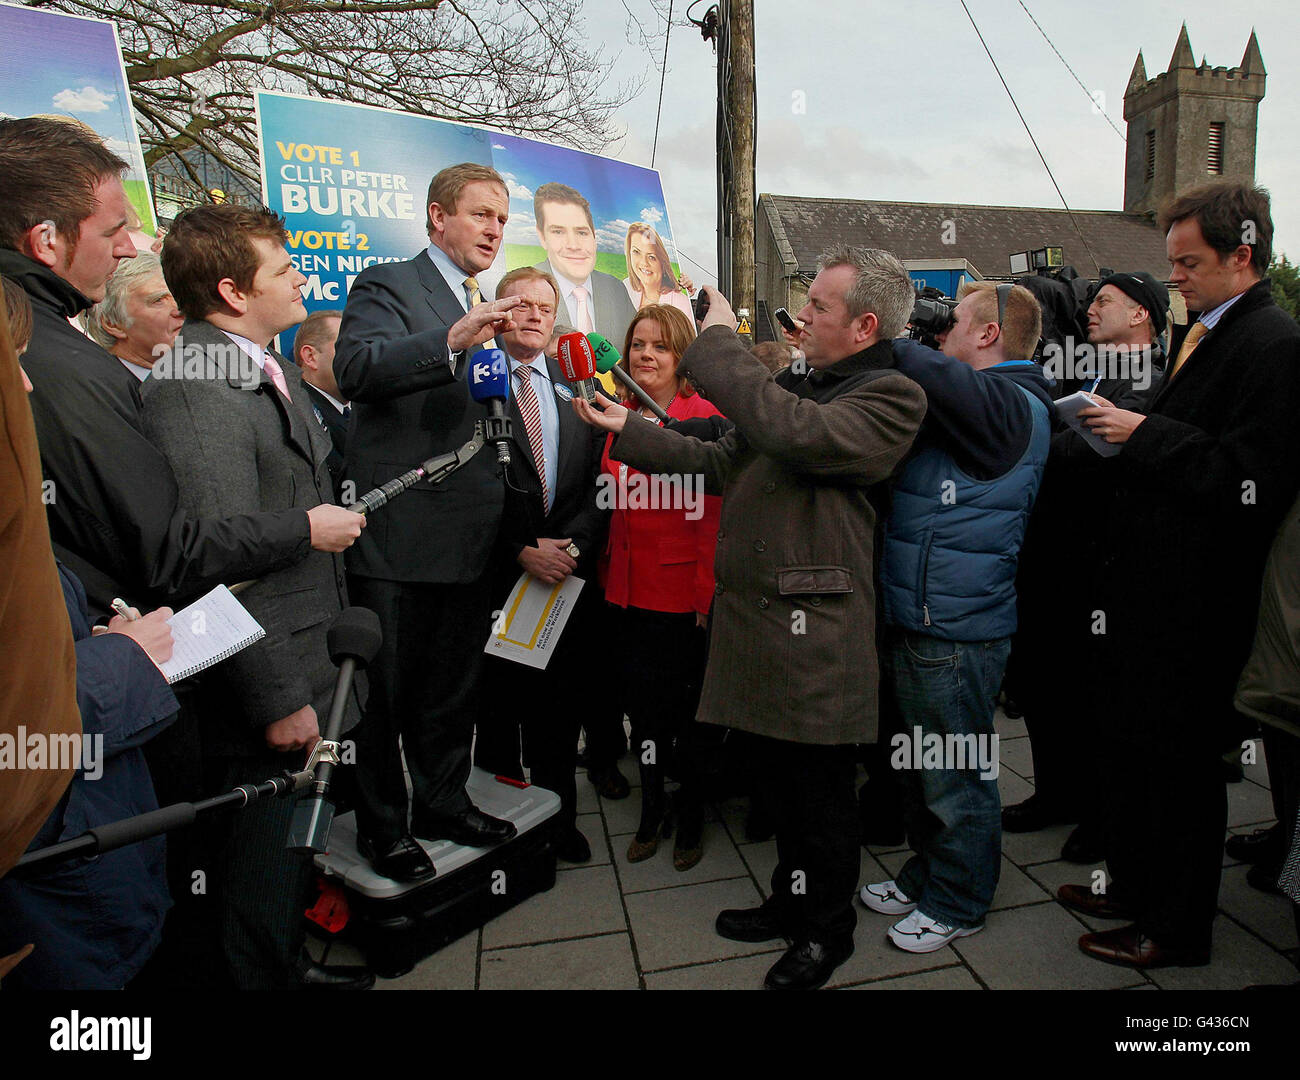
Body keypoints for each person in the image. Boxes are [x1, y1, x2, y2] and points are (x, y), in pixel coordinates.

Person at [574, 247, 926, 990]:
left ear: (865, 324)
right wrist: (625, 429)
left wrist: (719, 338)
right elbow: (722, 459)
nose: (803, 319)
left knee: (820, 800)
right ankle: (789, 902)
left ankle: (827, 935)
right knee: (779, 785)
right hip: (760, 624)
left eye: (820, 308)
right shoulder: (806, 383)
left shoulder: (892, 394)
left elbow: (792, 432)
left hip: (815, 635)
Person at [1058, 181, 1300, 968]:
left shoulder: (1271, 343)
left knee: (1180, 773)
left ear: (1243, 255)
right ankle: (1130, 886)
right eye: (1171, 265)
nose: (1176, 281)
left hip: (1198, 607)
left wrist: (1144, 432)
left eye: (1189, 263)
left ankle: (1178, 924)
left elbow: (1250, 479)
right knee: (1135, 754)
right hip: (1148, 594)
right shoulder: (1206, 330)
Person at [0, 116, 360, 621]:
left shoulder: (271, 368)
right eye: (114, 230)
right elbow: (177, 557)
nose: (128, 246)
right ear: (46, 242)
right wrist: (275, 697)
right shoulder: (116, 375)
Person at [334, 162, 528, 881]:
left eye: (503, 220)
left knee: (452, 691)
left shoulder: (493, 305)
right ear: (437, 218)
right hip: (398, 538)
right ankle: (385, 829)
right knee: (384, 697)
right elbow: (357, 368)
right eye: (481, 215)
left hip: (470, 539)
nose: (493, 230)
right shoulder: (388, 285)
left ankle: (443, 803)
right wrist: (451, 337)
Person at [859, 281, 1052, 953]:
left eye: (956, 321)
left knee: (957, 779)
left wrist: (885, 323)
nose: (943, 334)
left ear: (990, 333)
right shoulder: (976, 405)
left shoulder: (1013, 402)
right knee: (920, 773)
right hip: (924, 619)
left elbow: (925, 367)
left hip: (958, 632)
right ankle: (927, 874)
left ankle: (961, 901)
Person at [1002, 271, 1169, 866]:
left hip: (1100, 564)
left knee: (1091, 693)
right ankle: (1056, 793)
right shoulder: (1094, 370)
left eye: (1105, 302)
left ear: (1143, 315)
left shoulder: (1150, 377)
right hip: (1058, 554)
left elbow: (1102, 450)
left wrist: (1045, 436)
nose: (1090, 312)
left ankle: (1100, 816)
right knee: (1047, 684)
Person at [473, 266, 608, 863]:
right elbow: (466, 488)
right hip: (499, 575)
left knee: (560, 708)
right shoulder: (472, 382)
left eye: (545, 308)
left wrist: (572, 546)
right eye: (521, 304)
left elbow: (600, 483)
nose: (534, 315)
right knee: (498, 711)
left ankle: (559, 820)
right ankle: (500, 822)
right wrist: (519, 548)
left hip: (565, 578)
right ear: (499, 312)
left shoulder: (576, 385)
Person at [601, 304, 722, 870]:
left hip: (680, 599)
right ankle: (652, 812)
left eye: (660, 346)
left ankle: (692, 814)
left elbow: (712, 518)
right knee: (643, 716)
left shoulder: (704, 417)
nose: (645, 355)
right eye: (637, 344)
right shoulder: (618, 413)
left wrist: (704, 599)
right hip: (626, 595)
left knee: (690, 719)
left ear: (682, 357)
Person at [533, 182, 637, 348]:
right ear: (542, 237)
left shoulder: (614, 288)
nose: (573, 245)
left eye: (582, 232)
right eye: (558, 232)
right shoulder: (525, 288)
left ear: (594, 237)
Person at [86, 251, 183, 382]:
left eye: (179, 297)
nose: (181, 310)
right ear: (113, 323)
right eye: (158, 300)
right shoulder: (99, 391)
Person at [292, 309, 349, 492]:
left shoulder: (360, 412)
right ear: (310, 357)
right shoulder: (299, 414)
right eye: (347, 347)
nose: (359, 356)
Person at [623, 222, 693, 319]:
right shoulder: (625, 287)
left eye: (651, 257)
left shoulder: (680, 303)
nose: (644, 263)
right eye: (636, 252)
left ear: (662, 262)